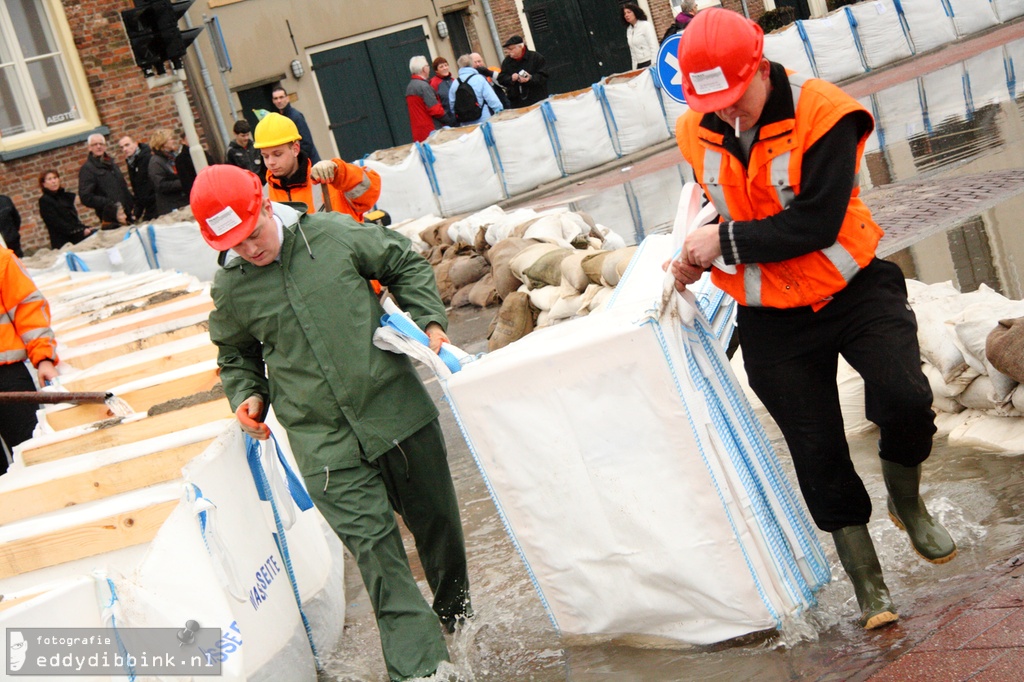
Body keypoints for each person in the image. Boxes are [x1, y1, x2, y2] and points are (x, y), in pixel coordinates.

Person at [668, 9, 956, 631]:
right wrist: (694, 248)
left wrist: (725, 244)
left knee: (906, 398)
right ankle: (868, 582)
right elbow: (725, 207)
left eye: (733, 98)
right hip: (772, 315)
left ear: (761, 69)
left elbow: (817, 221)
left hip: (851, 289)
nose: (724, 113)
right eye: (710, 103)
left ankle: (907, 503)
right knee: (817, 448)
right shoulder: (695, 130)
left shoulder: (825, 112)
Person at [190, 164, 472, 681]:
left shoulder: (334, 235)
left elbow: (404, 263)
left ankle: (459, 626)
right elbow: (235, 352)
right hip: (325, 447)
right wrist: (249, 393)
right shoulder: (232, 290)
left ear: (267, 207)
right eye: (235, 244)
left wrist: (430, 321)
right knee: (381, 564)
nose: (250, 250)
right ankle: (426, 673)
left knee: (441, 534)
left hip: (397, 415)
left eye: (253, 234)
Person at [254, 112, 381, 220]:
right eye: (265, 156)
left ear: (295, 149)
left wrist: (339, 172)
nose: (270, 162)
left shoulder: (330, 181)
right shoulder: (264, 198)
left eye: (277, 154)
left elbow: (370, 193)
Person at [1, 246, 59, 473]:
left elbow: (28, 308)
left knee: (32, 454)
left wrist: (43, 358)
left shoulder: (2, 260)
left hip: (7, 377)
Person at [78, 133, 133, 229]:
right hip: (110, 218)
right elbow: (85, 197)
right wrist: (109, 203)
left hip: (126, 214)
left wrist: (132, 204)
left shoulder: (111, 164)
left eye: (101, 144)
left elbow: (122, 187)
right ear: (89, 148)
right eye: (95, 145)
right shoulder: (88, 169)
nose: (98, 147)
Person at [37, 170, 96, 249]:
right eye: (49, 179)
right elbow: (56, 223)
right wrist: (80, 232)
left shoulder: (64, 196)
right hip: (64, 240)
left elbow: (73, 219)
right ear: (43, 184)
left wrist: (84, 228)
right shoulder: (45, 200)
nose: (53, 181)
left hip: (76, 233)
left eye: (55, 178)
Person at [449, 54, 504, 126]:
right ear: (472, 64)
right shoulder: (479, 79)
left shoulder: (455, 83)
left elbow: (452, 103)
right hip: (482, 118)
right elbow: (491, 98)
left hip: (464, 121)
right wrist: (499, 110)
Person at [497, 35, 549, 109]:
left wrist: (530, 78)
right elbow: (501, 78)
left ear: (520, 47)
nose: (509, 52)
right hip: (517, 103)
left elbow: (544, 76)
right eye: (507, 49)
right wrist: (511, 78)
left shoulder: (536, 58)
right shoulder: (507, 62)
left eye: (511, 49)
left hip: (537, 100)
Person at [271, 86, 320, 164]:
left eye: (281, 97)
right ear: (273, 101)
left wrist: (295, 159)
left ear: (287, 98)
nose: (279, 101)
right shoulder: (280, 118)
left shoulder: (296, 116)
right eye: (276, 98)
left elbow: (307, 142)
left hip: (309, 162)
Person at [147, 128, 190, 217]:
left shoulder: (172, 157)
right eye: (171, 139)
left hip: (181, 202)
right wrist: (184, 182)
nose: (174, 141)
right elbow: (161, 184)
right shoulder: (156, 162)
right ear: (163, 143)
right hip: (171, 206)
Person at [406, 55, 448, 142]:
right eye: (428, 66)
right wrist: (448, 119)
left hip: (418, 132)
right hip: (431, 132)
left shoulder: (410, 87)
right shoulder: (424, 86)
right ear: (424, 69)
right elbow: (435, 109)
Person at [118, 135, 157, 221]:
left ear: (135, 144)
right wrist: (136, 213)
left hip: (157, 203)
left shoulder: (147, 157)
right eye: (122, 147)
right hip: (148, 204)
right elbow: (138, 190)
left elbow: (150, 184)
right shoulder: (131, 162)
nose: (124, 149)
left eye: (127, 145)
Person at [622, 3, 658, 69]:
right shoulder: (629, 30)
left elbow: (653, 45)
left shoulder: (645, 25)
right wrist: (634, 69)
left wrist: (654, 64)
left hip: (649, 61)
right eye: (624, 14)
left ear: (635, 12)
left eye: (629, 12)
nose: (626, 15)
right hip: (639, 65)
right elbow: (632, 52)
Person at [430, 56, 456, 122]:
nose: (445, 68)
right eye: (441, 67)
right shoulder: (434, 83)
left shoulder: (453, 80)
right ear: (436, 70)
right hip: (446, 120)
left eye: (446, 65)